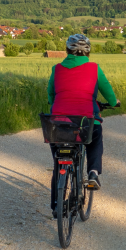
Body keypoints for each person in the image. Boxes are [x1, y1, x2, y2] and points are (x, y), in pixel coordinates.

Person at [48, 33, 119, 189]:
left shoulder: (57, 69)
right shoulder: (94, 68)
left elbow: (51, 94)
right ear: (88, 51)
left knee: (58, 157)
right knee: (95, 138)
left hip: (59, 121)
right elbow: (107, 89)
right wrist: (114, 102)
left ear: (67, 50)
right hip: (86, 121)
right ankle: (93, 172)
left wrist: (56, 105)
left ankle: (56, 205)